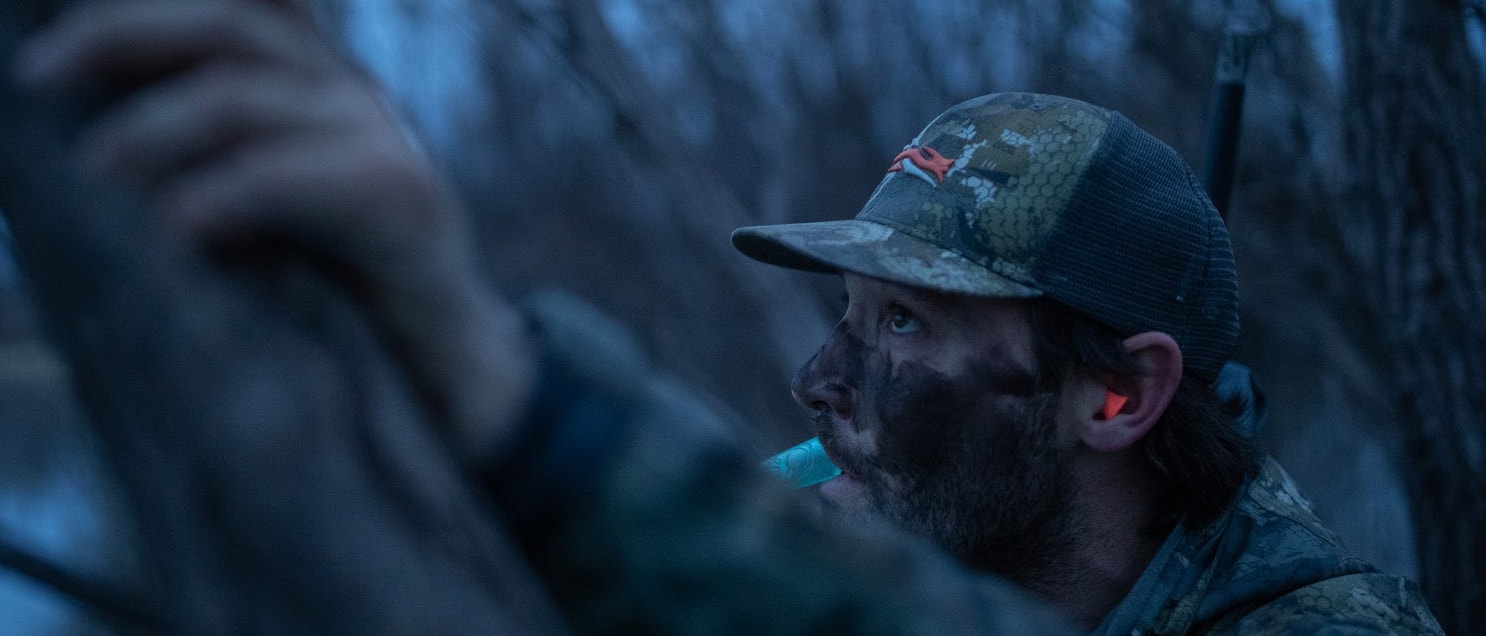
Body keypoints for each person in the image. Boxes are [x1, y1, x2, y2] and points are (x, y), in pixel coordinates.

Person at [10, 1, 1441, 634]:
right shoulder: (952, 553)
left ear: (1117, 399)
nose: (824, 380)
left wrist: (503, 379)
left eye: (899, 331)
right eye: (844, 315)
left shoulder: (1332, 632)